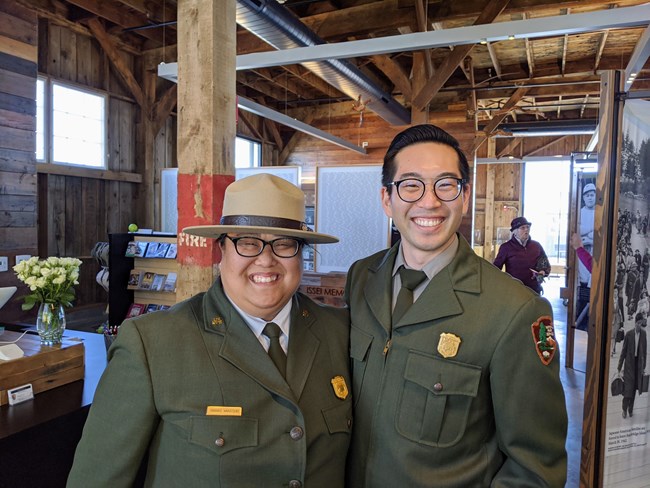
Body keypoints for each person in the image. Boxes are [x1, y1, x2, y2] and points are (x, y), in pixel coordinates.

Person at [68, 174, 352, 487]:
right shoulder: (153, 343)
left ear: (302, 254)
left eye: (285, 244)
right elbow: (97, 479)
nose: (266, 260)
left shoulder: (340, 332)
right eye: (247, 243)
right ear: (221, 251)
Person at [345, 124, 567, 487]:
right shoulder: (361, 279)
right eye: (410, 185)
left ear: (464, 198)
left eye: (445, 185)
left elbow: (536, 469)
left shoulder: (513, 310)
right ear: (387, 199)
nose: (429, 201)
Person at [493, 216, 552, 294]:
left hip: (534, 290)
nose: (526, 230)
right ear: (514, 231)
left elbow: (545, 264)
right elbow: (496, 268)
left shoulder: (536, 246)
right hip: (515, 291)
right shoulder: (506, 247)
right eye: (522, 228)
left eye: (527, 227)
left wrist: (542, 272)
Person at [618, 312, 647, 419]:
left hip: (638, 365)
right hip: (629, 365)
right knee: (627, 389)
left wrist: (643, 368)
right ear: (635, 323)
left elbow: (644, 352)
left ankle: (631, 409)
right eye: (638, 323)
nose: (639, 325)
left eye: (641, 323)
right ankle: (624, 409)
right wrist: (619, 367)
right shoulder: (629, 334)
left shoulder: (644, 334)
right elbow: (623, 351)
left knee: (635, 388)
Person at [576, 183, 596, 331]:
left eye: (592, 195)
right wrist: (589, 233)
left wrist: (589, 237)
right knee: (583, 284)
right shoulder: (580, 213)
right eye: (587, 195)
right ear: (583, 197)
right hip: (582, 254)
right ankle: (580, 323)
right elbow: (579, 231)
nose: (590, 197)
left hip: (594, 253)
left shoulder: (599, 212)